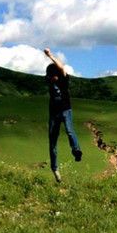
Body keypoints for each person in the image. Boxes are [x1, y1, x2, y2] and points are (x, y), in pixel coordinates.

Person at [44, 48, 82, 182]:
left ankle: (76, 151)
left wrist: (50, 55)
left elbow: (61, 67)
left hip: (65, 110)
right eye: (50, 75)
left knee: (70, 131)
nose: (52, 77)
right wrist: (50, 76)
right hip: (54, 114)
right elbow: (49, 76)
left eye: (53, 74)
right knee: (52, 142)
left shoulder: (64, 81)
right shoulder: (49, 82)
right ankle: (55, 169)